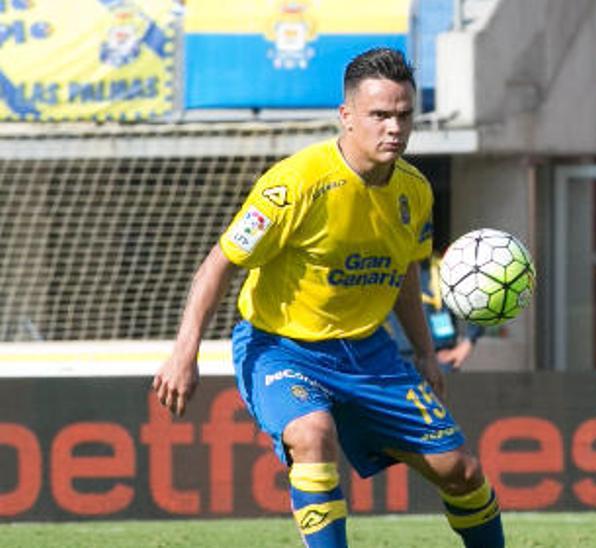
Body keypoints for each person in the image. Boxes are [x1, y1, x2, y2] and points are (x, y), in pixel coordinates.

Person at [152, 48, 503, 548]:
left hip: (369, 351)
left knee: (462, 471)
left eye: (404, 116)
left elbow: (405, 273)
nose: (394, 129)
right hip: (281, 347)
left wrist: (425, 352)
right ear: (347, 116)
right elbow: (220, 262)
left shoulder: (415, 191)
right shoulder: (294, 185)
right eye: (379, 115)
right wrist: (184, 352)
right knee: (312, 435)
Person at [385, 249, 485, 372]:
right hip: (396, 359)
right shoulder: (384, 268)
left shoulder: (445, 267)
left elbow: (479, 300)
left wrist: (469, 341)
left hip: (440, 359)